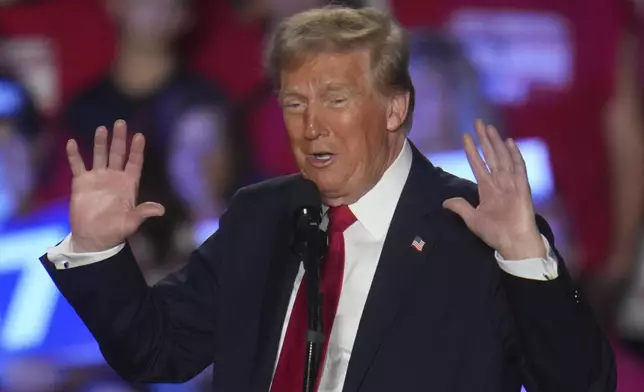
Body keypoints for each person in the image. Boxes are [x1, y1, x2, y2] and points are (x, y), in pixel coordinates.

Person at [41, 6, 614, 392]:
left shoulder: (475, 228)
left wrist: (523, 257)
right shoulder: (258, 217)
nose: (311, 126)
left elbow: (579, 382)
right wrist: (96, 250)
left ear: (395, 108)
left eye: (335, 99)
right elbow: (157, 352)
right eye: (294, 104)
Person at [63, 0, 248, 281]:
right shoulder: (84, 108)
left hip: (192, 260)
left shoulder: (204, 101)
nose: (157, 9)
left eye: (171, 4)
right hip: (108, 264)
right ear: (115, 5)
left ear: (185, 17)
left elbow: (215, 198)